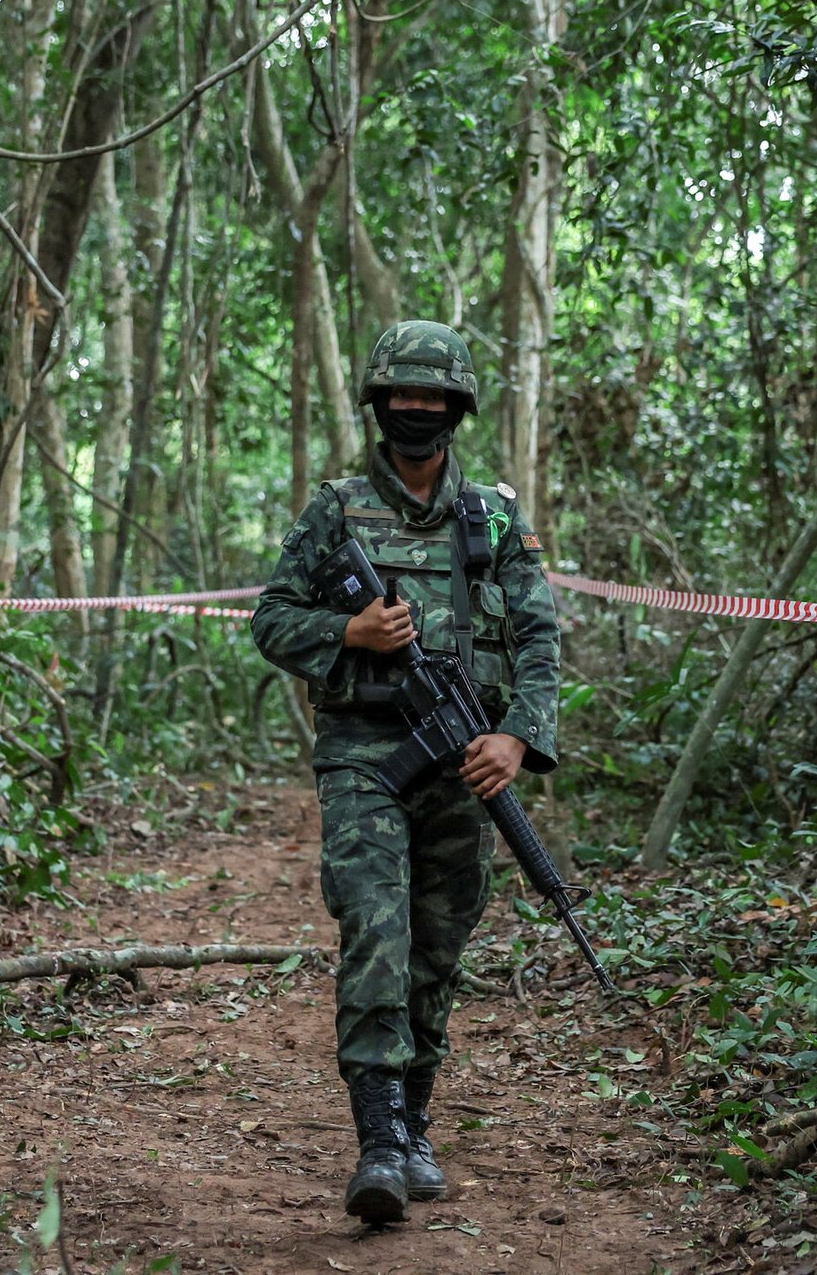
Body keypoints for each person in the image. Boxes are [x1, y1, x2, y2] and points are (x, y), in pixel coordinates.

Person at [251, 320, 560, 1225]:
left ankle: (416, 1120)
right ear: (379, 404)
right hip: (365, 759)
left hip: (466, 762)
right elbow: (271, 620)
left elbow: (539, 638)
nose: (417, 410)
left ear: (457, 408)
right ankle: (379, 1142)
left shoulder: (493, 517)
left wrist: (518, 738)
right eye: (402, 396)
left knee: (436, 948)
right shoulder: (336, 510)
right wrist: (346, 632)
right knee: (377, 931)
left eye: (433, 398)